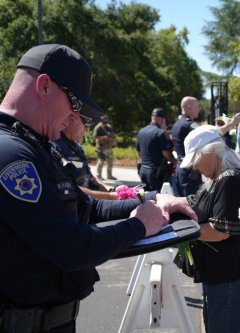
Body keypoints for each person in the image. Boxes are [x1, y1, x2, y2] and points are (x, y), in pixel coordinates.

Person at [0, 44, 196, 333]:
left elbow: (86, 207)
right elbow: (70, 248)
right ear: (43, 86)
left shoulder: (35, 145)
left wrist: (153, 199)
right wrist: (140, 226)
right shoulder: (11, 154)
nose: (75, 119)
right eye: (75, 106)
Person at [178, 125, 240, 333]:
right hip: (224, 271)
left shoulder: (229, 179)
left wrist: (176, 232)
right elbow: (194, 201)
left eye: (195, 159)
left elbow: (219, 231)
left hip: (229, 272)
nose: (194, 167)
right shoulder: (219, 178)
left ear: (210, 152)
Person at [52, 115, 116, 200]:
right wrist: (111, 196)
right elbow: (68, 189)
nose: (87, 129)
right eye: (86, 123)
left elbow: (91, 178)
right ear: (72, 120)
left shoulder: (77, 147)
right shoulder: (55, 147)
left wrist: (111, 191)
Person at [136, 107, 177, 191]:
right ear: (162, 119)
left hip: (143, 170)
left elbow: (139, 152)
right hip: (156, 173)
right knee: (157, 198)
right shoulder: (161, 133)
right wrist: (176, 162)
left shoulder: (141, 131)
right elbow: (167, 155)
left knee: (146, 198)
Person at [171, 96, 203, 197]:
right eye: (197, 106)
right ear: (189, 107)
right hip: (190, 171)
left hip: (180, 169)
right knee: (192, 205)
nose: (199, 109)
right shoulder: (189, 124)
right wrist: (231, 124)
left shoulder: (177, 124)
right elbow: (208, 136)